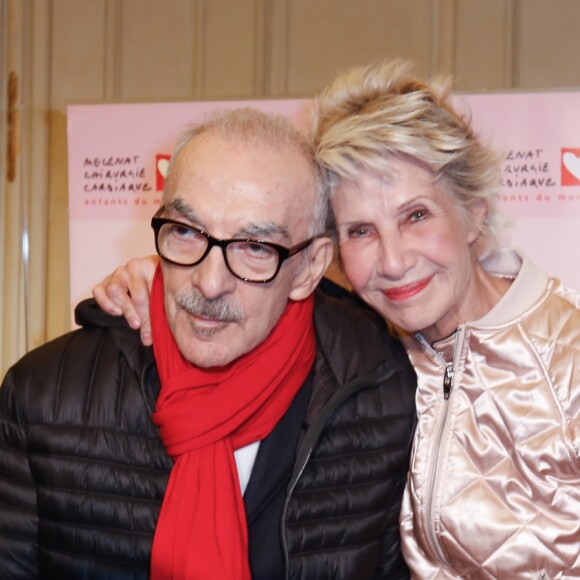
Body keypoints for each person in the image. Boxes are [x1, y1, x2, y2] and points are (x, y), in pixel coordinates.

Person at [97, 62, 580, 579]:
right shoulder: (369, 347)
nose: (392, 261)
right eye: (360, 231)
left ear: (474, 211)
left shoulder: (566, 362)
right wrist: (162, 272)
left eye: (416, 215)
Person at [0, 107, 418, 579]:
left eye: (255, 247)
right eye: (185, 232)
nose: (209, 281)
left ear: (309, 268)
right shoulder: (43, 395)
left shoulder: (380, 398)